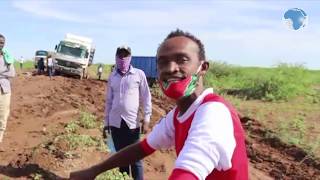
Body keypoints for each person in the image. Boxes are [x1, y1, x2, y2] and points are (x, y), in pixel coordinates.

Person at [70, 30, 248, 180]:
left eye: (182, 59)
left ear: (203, 67)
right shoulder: (178, 115)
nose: (170, 68)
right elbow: (143, 148)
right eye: (163, 62)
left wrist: (146, 117)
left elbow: (188, 172)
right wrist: (94, 171)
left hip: (132, 121)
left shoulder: (213, 113)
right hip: (117, 121)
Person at [102, 45, 152, 180]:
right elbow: (109, 101)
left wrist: (146, 119)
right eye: (120, 55)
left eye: (125, 55)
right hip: (115, 123)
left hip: (132, 123)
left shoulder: (139, 74)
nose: (122, 58)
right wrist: (106, 123)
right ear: (116, 57)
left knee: (136, 159)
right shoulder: (112, 76)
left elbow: (146, 97)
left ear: (130, 57)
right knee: (121, 158)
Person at [0, 34, 15, 146]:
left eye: (2, 42)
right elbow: (7, 72)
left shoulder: (7, 57)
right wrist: (3, 73)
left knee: (3, 115)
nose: (1, 44)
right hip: (4, 82)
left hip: (4, 89)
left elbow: (12, 73)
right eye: (0, 42)